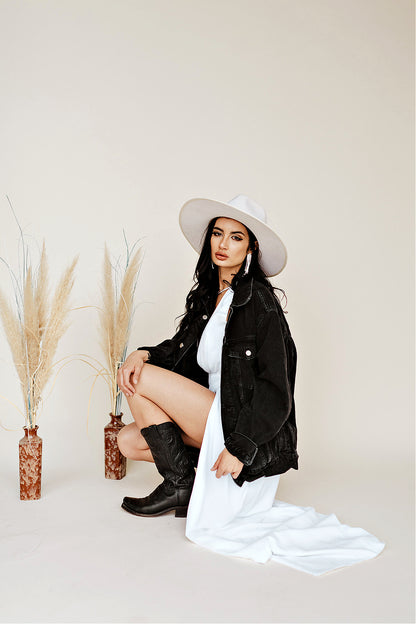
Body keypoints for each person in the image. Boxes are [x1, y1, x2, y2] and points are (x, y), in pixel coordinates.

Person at [116, 194, 384, 575]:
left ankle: (180, 485)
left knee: (140, 382)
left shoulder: (258, 302)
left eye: (236, 237)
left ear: (251, 248)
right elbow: (178, 351)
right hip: (214, 413)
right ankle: (186, 483)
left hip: (240, 427)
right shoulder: (210, 298)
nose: (223, 244)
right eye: (217, 234)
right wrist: (141, 353)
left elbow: (277, 391)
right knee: (128, 441)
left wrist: (240, 448)